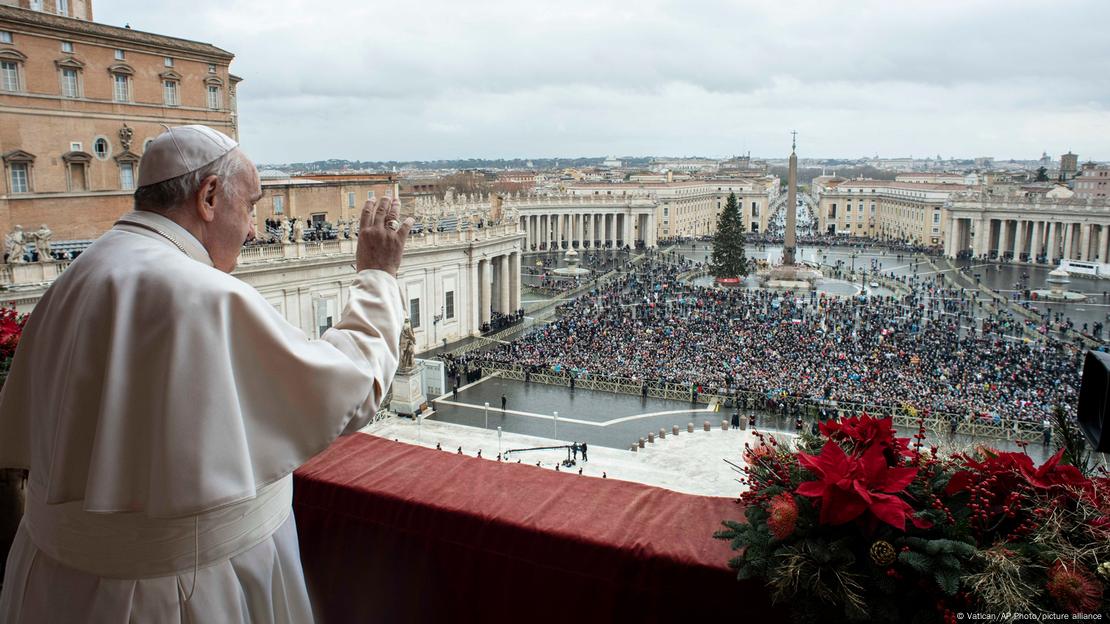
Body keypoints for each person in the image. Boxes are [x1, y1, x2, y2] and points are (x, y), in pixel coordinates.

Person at [0, 125, 414, 623]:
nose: (254, 229)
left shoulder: (76, 276)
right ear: (210, 196)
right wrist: (378, 276)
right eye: (252, 206)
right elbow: (353, 387)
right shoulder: (205, 294)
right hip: (184, 594)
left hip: (53, 586)